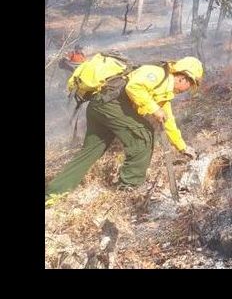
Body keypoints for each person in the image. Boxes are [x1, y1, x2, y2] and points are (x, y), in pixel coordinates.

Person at [45, 57, 204, 204]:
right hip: (110, 104)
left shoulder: (164, 92)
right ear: (183, 77)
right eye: (190, 84)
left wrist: (182, 147)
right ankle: (129, 188)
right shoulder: (157, 74)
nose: (187, 89)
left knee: (91, 150)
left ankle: (53, 193)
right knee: (144, 135)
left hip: (100, 106)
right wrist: (154, 109)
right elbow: (133, 87)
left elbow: (169, 122)